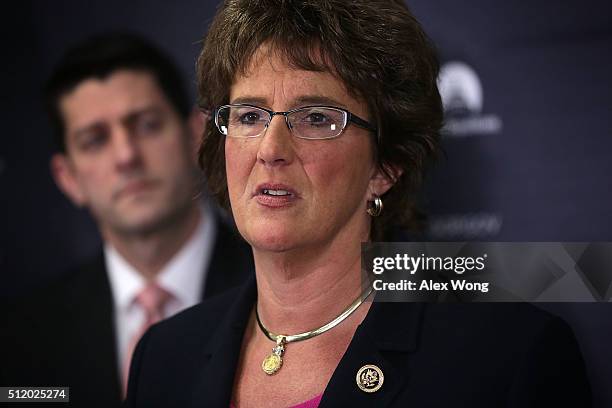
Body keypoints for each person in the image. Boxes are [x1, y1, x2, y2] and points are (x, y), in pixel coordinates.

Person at [124, 1, 591, 407]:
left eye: (317, 117)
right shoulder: (164, 358)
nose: (270, 148)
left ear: (384, 166)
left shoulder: (508, 358)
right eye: (249, 115)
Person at [0, 33, 253, 408]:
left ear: (195, 136)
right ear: (68, 178)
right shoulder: (20, 336)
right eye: (95, 140)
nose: (126, 155)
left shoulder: (273, 290)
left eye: (148, 125)